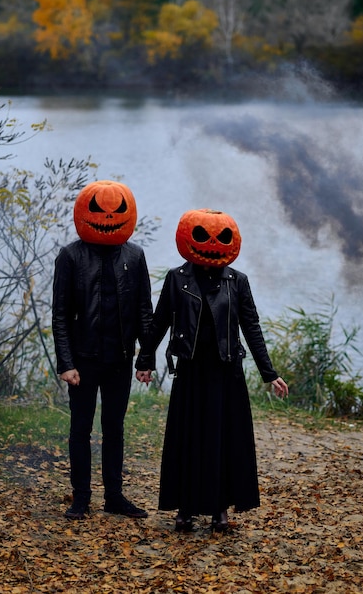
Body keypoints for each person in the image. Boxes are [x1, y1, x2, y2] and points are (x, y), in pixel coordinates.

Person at [136, 208, 288, 532]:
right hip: (191, 372)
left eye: (221, 237)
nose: (212, 244)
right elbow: (160, 321)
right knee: (189, 439)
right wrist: (145, 360)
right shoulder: (177, 278)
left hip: (226, 372)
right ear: (190, 239)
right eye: (203, 236)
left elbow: (252, 327)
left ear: (232, 242)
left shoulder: (238, 281)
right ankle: (186, 509)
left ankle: (220, 509)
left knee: (223, 441)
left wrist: (269, 372)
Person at [52, 180, 153, 520]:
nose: (108, 217)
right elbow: (60, 315)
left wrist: (146, 357)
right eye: (98, 210)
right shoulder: (70, 256)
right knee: (80, 429)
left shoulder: (135, 256)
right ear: (84, 213)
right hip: (83, 360)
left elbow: (144, 311)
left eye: (118, 210)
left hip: (120, 360)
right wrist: (65, 362)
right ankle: (81, 498)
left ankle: (114, 496)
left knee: (114, 428)